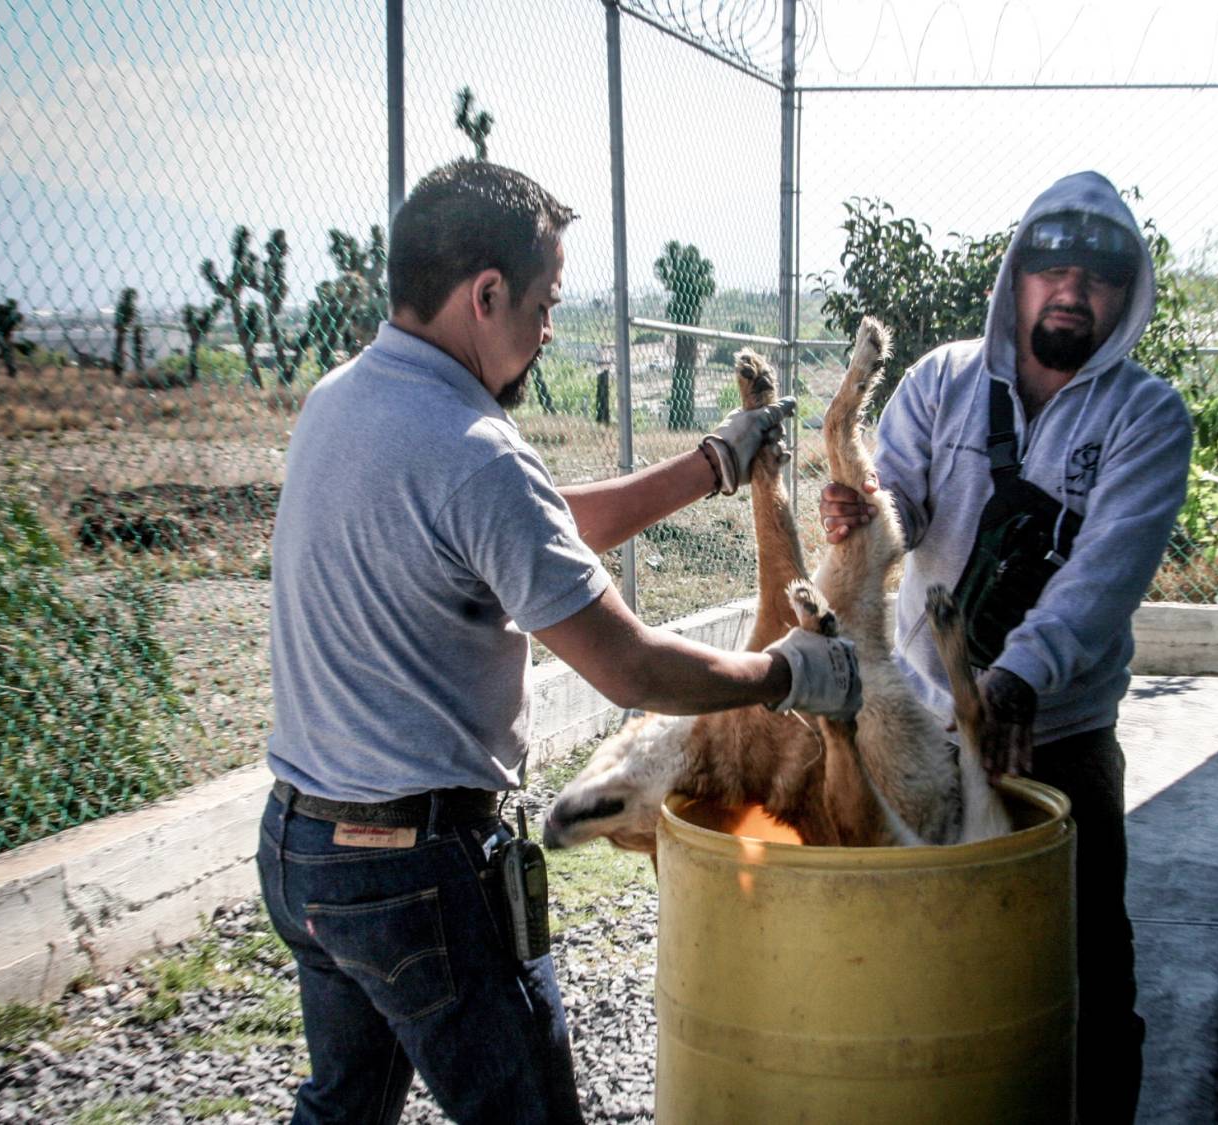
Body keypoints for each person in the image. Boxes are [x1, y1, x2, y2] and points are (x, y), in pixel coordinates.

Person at [258, 158, 861, 1125]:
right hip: (417, 869)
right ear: (484, 293)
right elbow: (627, 664)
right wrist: (791, 673)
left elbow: (529, 524)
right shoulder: (472, 450)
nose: (547, 329)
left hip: (304, 848)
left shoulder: (344, 400)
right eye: (543, 304)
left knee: (344, 1110)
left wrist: (711, 464)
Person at [820, 170, 1193, 1122]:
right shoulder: (941, 382)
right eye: (1051, 268)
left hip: (1054, 735)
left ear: (1125, 293)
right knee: (916, 957)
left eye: (1098, 277)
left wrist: (1017, 681)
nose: (1072, 290)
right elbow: (901, 497)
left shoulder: (1146, 418)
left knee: (1088, 972)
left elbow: (1102, 576)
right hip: (920, 728)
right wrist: (868, 514)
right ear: (1015, 278)